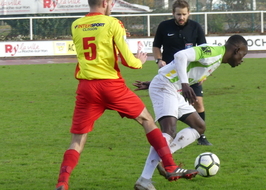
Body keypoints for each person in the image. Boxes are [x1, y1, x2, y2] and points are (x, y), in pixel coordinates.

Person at [54, 0, 199, 190]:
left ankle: (62, 182)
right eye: (112, 2)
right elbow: (127, 60)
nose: (112, 5)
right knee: (147, 120)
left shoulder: (76, 25)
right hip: (110, 85)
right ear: (105, 2)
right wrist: (139, 61)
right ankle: (170, 165)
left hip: (86, 88)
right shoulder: (113, 23)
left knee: (77, 140)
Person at [134, 35, 248, 190]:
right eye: (243, 54)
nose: (242, 59)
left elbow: (179, 66)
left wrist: (154, 82)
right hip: (166, 86)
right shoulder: (214, 51)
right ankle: (144, 180)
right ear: (236, 50)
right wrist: (184, 84)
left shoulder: (217, 59)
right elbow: (180, 56)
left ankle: (164, 155)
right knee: (168, 131)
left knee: (199, 127)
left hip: (171, 87)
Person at [133, 0, 211, 146]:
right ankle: (168, 136)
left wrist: (203, 74)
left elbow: (204, 52)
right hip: (170, 75)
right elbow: (156, 47)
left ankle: (201, 136)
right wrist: (158, 60)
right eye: (178, 14)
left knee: (198, 103)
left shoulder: (196, 27)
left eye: (184, 14)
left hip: (190, 73)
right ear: (173, 13)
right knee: (171, 107)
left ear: (189, 13)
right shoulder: (164, 26)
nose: (181, 17)